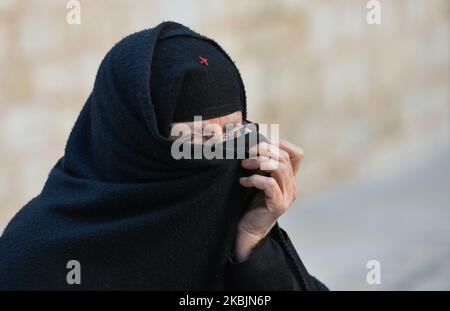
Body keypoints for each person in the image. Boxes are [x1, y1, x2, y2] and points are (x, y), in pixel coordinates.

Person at [0, 21, 327, 291]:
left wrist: (254, 247)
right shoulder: (35, 258)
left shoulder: (232, 223)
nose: (224, 151)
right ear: (135, 144)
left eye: (234, 132)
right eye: (200, 137)